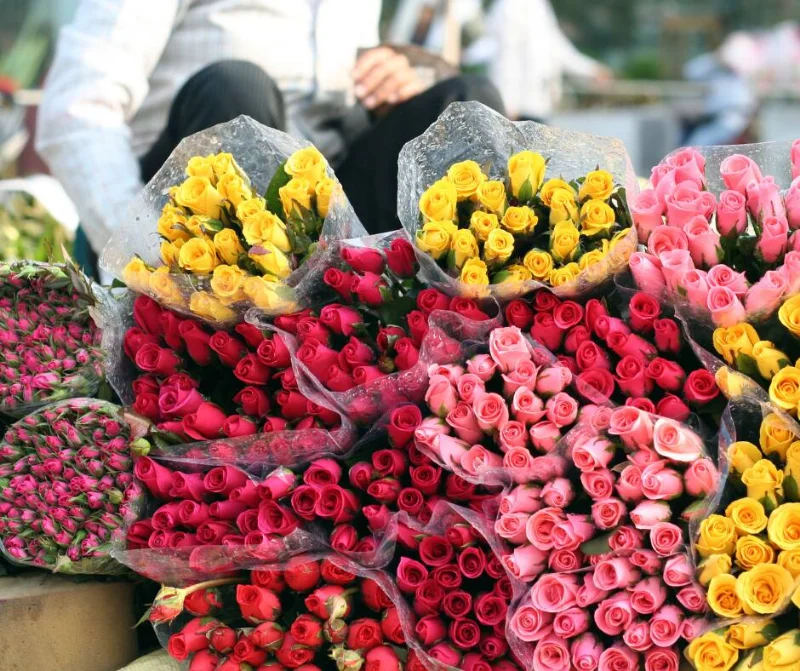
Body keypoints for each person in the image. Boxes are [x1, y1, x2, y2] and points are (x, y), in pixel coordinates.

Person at [35, 0, 504, 276]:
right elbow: (76, 111)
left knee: (465, 101)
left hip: (323, 199)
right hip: (196, 215)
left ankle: (441, 335)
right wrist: (142, 259)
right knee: (238, 92)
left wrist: (405, 76)